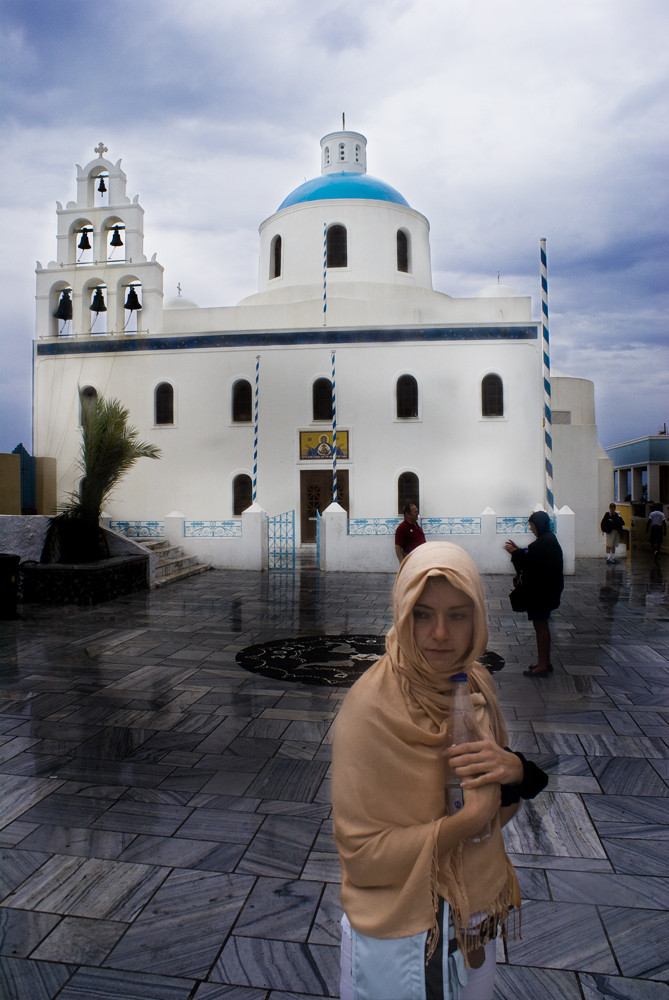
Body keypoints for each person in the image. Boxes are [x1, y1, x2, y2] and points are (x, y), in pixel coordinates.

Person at [332, 542, 548, 1000]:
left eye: (458, 614)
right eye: (423, 613)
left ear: (478, 618)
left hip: (473, 926)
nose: (440, 634)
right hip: (397, 940)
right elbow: (364, 858)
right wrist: (462, 823)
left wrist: (516, 771)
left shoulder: (474, 683)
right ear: (402, 612)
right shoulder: (371, 709)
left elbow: (492, 807)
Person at [504, 511, 564, 677]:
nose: (531, 529)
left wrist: (514, 553)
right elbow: (532, 557)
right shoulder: (548, 540)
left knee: (541, 626)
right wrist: (517, 550)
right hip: (547, 591)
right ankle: (544, 662)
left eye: (532, 525)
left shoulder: (544, 543)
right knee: (542, 626)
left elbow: (529, 563)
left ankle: (543, 665)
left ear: (539, 525)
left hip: (542, 593)